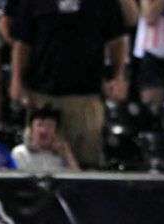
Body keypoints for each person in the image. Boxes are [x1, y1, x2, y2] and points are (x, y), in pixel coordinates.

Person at [8, 0, 128, 169]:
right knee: (37, 162)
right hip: (43, 96)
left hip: (86, 96)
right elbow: (22, 42)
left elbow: (117, 40)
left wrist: (118, 75)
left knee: (88, 162)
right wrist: (17, 80)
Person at [11, 105, 80, 173]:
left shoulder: (61, 155)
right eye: (39, 125)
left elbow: (77, 179)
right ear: (31, 130)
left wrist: (66, 154)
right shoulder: (20, 153)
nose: (43, 130)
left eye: (49, 125)